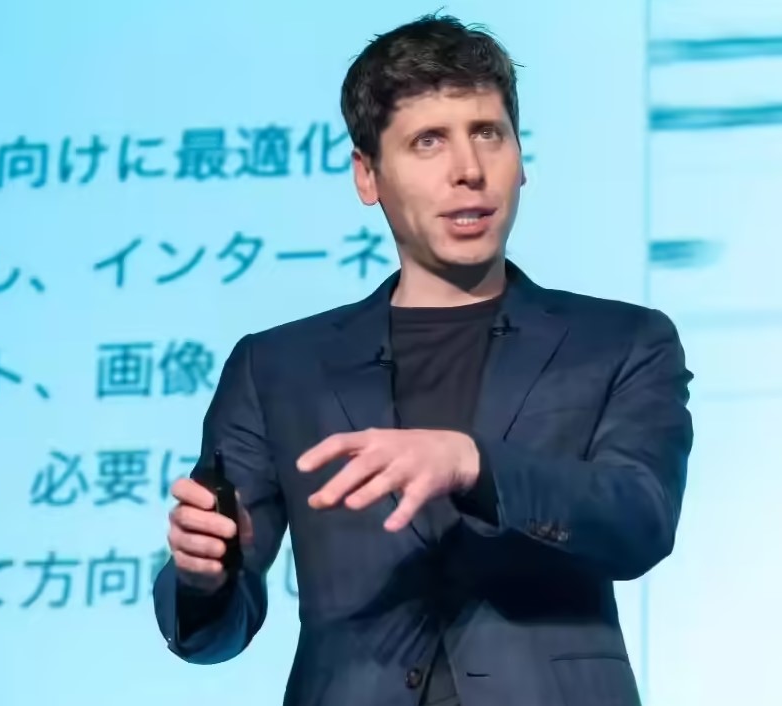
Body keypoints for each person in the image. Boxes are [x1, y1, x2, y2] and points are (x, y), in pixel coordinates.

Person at [152, 13, 694, 706]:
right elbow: (215, 632)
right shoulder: (277, 367)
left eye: (487, 134)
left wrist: (473, 464)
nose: (468, 170)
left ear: (520, 158)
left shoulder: (621, 340)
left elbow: (639, 521)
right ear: (367, 175)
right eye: (428, 141)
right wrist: (204, 578)